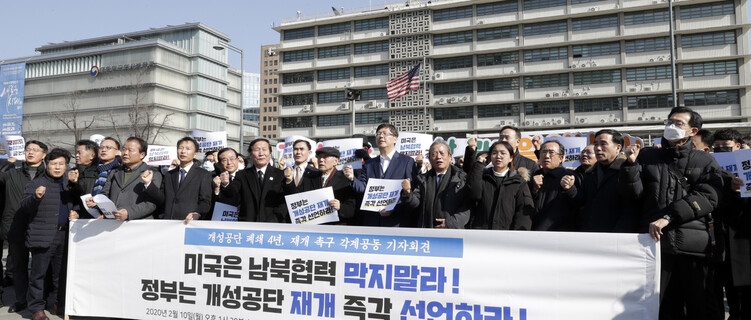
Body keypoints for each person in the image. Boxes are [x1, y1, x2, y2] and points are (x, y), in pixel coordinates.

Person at [620, 107, 723, 319]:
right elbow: (633, 195)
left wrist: (669, 217)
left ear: (693, 131)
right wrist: (630, 166)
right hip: (654, 246)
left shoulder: (704, 160)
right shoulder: (647, 156)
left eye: (678, 124)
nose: (670, 126)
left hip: (693, 247)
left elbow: (708, 197)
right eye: (669, 122)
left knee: (699, 306)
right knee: (663, 307)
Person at [19, 148, 80, 320]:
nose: (58, 167)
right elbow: (24, 207)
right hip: (42, 234)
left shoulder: (69, 183)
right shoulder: (36, 183)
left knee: (61, 274)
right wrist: (36, 197)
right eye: (54, 164)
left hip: (64, 235)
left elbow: (77, 202)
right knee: (39, 274)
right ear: (47, 165)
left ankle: (59, 304)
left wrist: (75, 211)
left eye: (61, 164)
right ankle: (36, 308)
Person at [0, 140, 48, 313]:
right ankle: (21, 300)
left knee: (39, 267)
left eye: (35, 150)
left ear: (44, 155)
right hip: (15, 226)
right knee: (18, 267)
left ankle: (38, 301)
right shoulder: (12, 174)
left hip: (41, 227)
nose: (30, 152)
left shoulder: (50, 176)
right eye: (28, 149)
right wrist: (8, 162)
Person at [561, 129, 637, 233]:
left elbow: (631, 206)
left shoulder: (628, 170)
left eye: (603, 144)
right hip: (590, 234)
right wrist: (570, 188)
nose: (598, 148)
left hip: (617, 236)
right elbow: (582, 201)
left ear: (618, 148)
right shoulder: (590, 173)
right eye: (596, 144)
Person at [343, 123, 417, 227]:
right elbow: (363, 187)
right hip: (372, 221)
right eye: (378, 134)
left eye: (385, 133)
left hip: (396, 222)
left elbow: (412, 193)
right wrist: (352, 178)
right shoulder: (369, 164)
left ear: (395, 139)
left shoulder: (407, 162)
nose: (381, 136)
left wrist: (393, 208)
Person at [711, 128, 748, 320]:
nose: (720, 151)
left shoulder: (747, 168)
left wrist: (739, 191)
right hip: (720, 239)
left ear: (738, 147)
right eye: (716, 147)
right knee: (728, 291)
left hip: (743, 238)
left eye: (725, 147)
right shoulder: (710, 169)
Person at [464, 138, 533, 230]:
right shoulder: (483, 176)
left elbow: (523, 214)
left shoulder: (518, 182)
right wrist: (478, 165)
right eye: (494, 153)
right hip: (480, 235)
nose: (498, 156)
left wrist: (517, 236)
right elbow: (473, 194)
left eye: (503, 153)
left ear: (511, 158)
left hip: (507, 237)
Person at [86, 137, 162, 220]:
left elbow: (151, 204)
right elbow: (105, 194)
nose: (125, 153)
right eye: (124, 149)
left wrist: (129, 213)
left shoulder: (152, 173)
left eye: (130, 150)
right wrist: (97, 201)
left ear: (142, 154)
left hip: (139, 225)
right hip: (114, 222)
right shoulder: (115, 172)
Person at [402, 140, 471, 229]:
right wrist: (407, 193)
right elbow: (416, 202)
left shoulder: (462, 178)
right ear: (430, 159)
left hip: (452, 233)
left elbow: (467, 207)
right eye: (434, 154)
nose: (438, 157)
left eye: (442, 153)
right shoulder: (423, 179)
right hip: (428, 232)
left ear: (450, 157)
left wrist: (451, 223)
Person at [143, 137, 212, 223]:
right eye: (180, 148)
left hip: (188, 223)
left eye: (188, 149)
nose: (183, 151)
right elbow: (162, 198)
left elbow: (205, 201)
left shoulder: (203, 174)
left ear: (195, 154)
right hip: (168, 222)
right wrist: (148, 184)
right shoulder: (169, 174)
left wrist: (198, 213)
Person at [219, 138, 288, 223]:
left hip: (274, 225)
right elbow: (231, 193)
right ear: (250, 154)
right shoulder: (242, 175)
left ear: (270, 153)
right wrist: (225, 184)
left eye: (264, 149)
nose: (261, 153)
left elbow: (286, 200)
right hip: (249, 225)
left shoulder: (280, 175)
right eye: (257, 150)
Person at [284, 147, 357, 224]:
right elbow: (297, 197)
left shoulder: (345, 179)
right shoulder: (309, 177)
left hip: (336, 228)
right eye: (319, 157)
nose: (321, 160)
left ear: (335, 161)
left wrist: (340, 207)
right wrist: (289, 181)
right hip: (313, 227)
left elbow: (351, 209)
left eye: (325, 157)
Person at [531, 140, 578, 231]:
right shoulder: (534, 176)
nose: (547, 156)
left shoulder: (570, 177)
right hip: (533, 231)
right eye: (544, 152)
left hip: (559, 233)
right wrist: (534, 189)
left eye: (551, 153)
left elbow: (578, 203)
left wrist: (570, 189)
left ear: (561, 157)